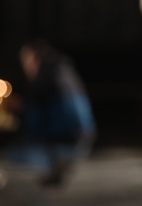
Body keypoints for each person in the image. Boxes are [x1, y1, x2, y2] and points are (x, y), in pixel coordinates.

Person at [8, 38, 96, 186]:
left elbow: (41, 121)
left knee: (13, 156)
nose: (25, 68)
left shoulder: (47, 79)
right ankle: (57, 166)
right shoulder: (62, 70)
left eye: (26, 62)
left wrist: (22, 108)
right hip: (82, 135)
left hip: (69, 139)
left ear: (36, 58)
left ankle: (57, 164)